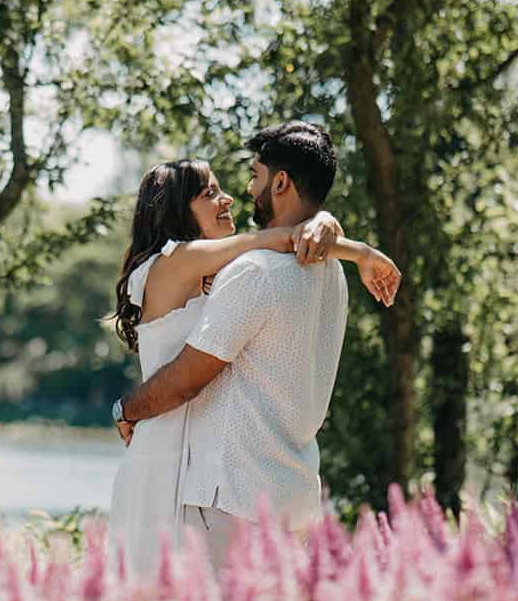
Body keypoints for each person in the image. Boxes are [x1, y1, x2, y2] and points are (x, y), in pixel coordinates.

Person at [108, 133, 398, 575]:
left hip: (223, 487)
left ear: (280, 183)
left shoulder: (246, 272)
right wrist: (355, 249)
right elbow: (278, 240)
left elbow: (187, 379)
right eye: (210, 193)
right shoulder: (326, 272)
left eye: (253, 176)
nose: (238, 193)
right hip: (213, 470)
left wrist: (125, 408)